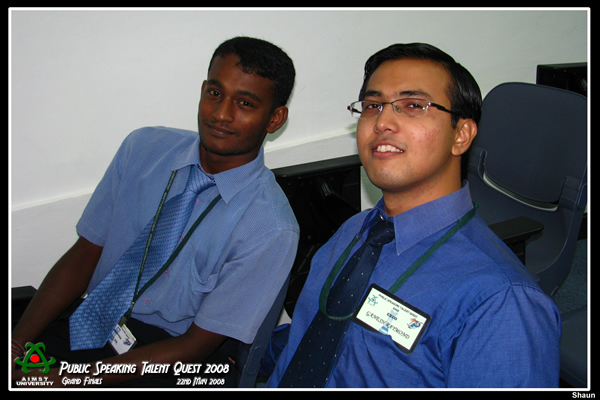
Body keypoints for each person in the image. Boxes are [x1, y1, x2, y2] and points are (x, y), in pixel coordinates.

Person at [265, 43, 561, 388]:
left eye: (413, 105)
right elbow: (311, 337)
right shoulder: (354, 230)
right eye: (372, 105)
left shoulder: (501, 304)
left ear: (461, 135)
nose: (382, 122)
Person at [11, 36, 299, 388]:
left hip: (175, 358)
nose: (221, 114)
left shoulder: (271, 228)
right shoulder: (143, 149)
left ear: (275, 119)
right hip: (94, 320)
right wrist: (16, 344)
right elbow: (85, 253)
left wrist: (59, 380)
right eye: (214, 93)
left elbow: (194, 347)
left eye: (245, 103)